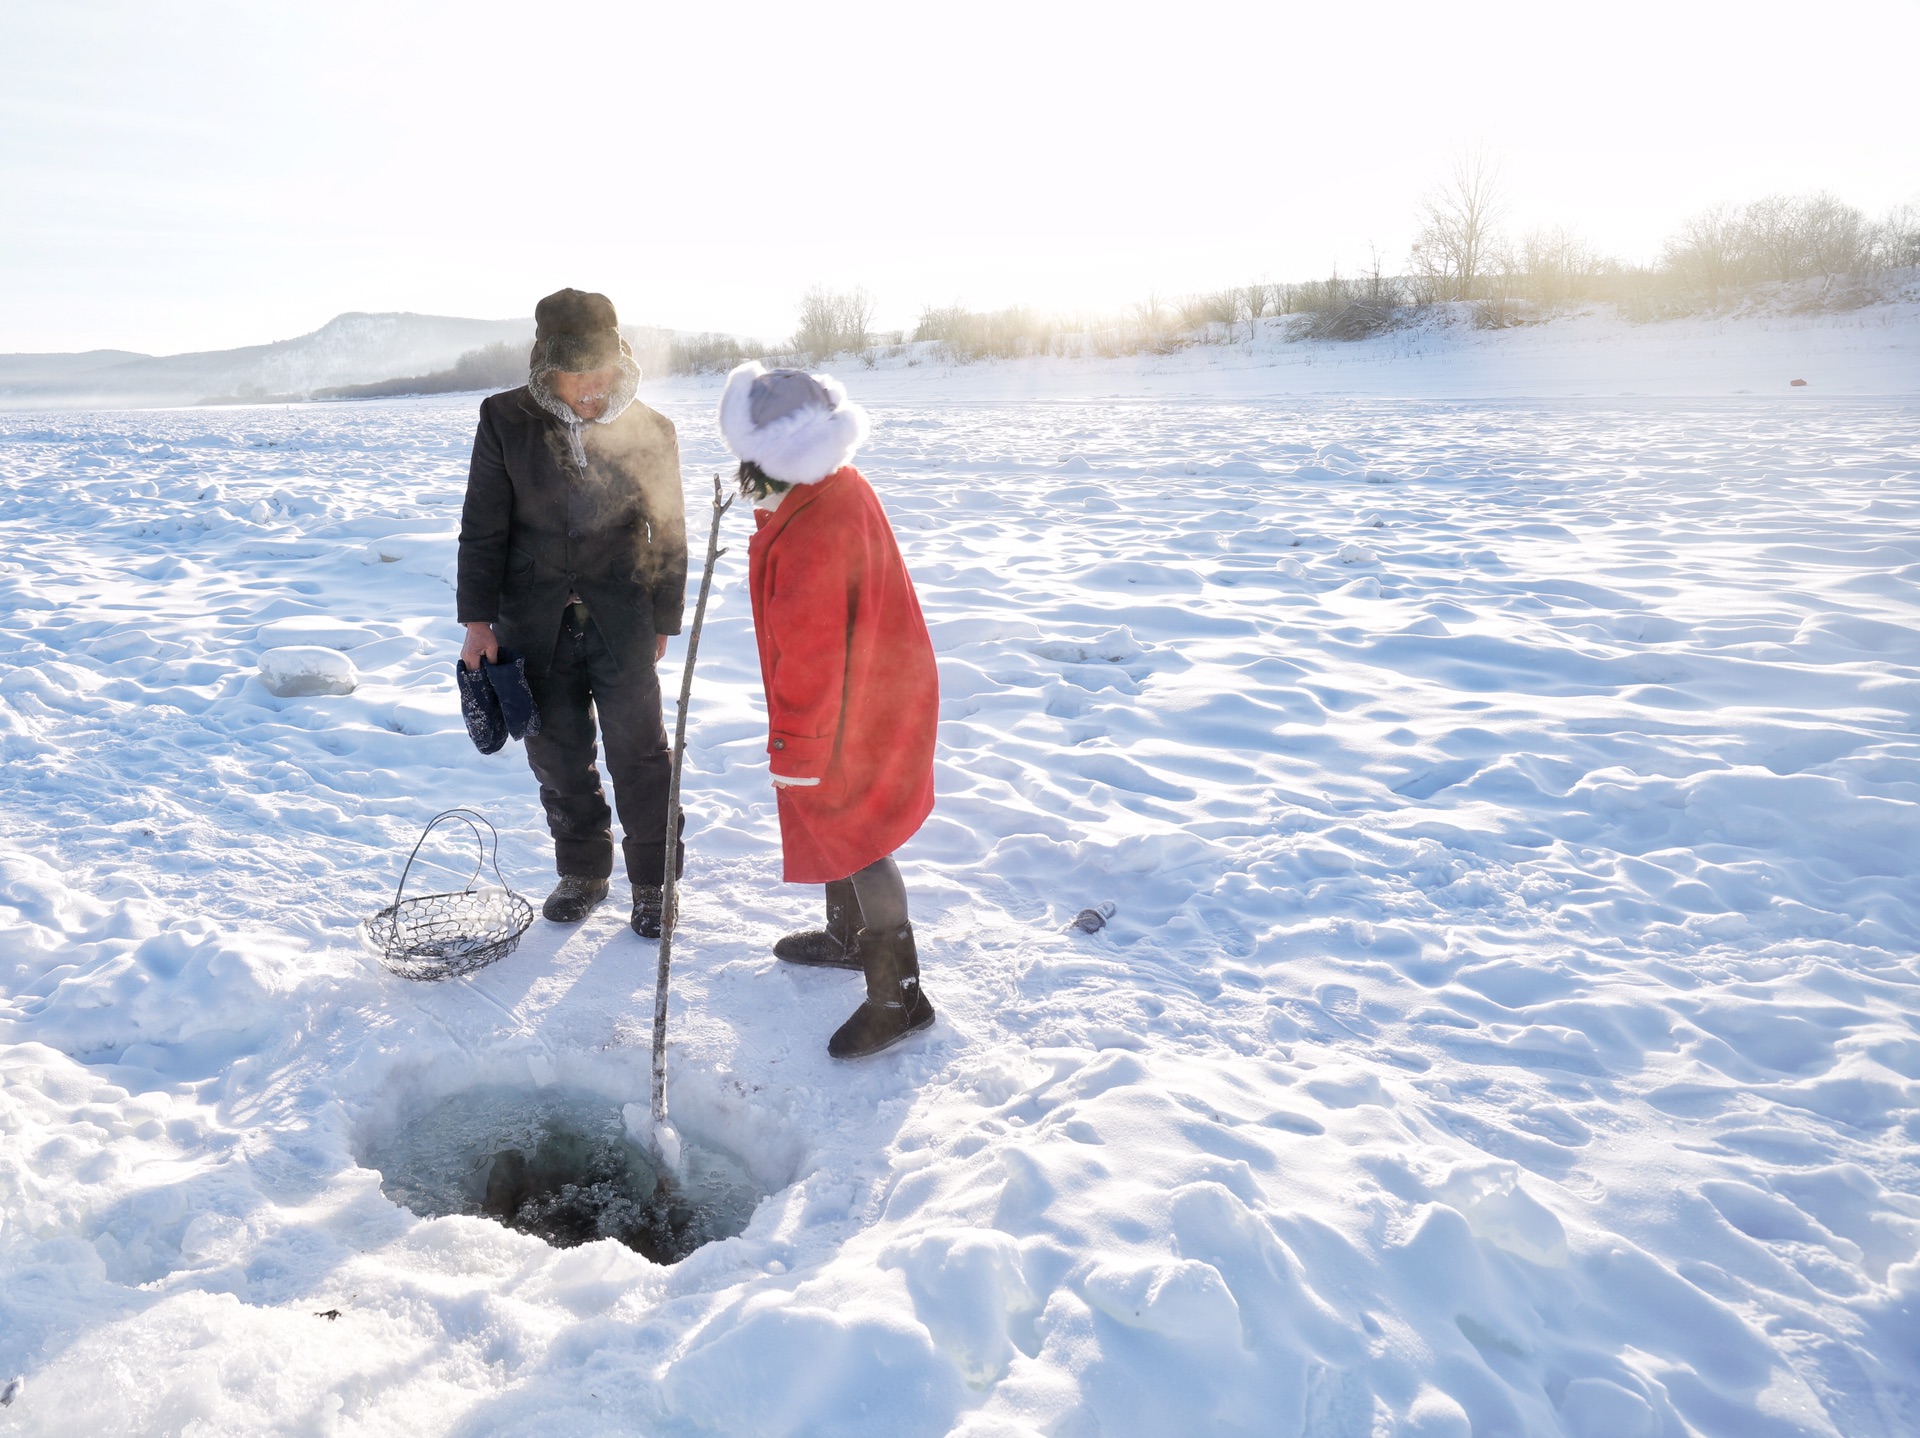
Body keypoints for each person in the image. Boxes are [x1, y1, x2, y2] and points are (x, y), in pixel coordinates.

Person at [718, 361, 941, 1059]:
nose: (741, 472)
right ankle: (849, 938)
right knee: (842, 823)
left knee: (861, 835)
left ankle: (898, 998)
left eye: (747, 458)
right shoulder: (837, 486)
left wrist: (796, 749)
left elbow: (810, 655)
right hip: (878, 684)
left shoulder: (813, 533)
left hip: (852, 703)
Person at [456, 289, 687, 937]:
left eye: (603, 372)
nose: (591, 388)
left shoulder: (651, 430)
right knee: (556, 754)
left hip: (623, 617)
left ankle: (654, 882)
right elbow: (482, 528)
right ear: (544, 370)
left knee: (640, 754)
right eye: (577, 374)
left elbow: (667, 534)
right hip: (531, 619)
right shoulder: (505, 420)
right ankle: (583, 870)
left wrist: (664, 619)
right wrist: (477, 623)